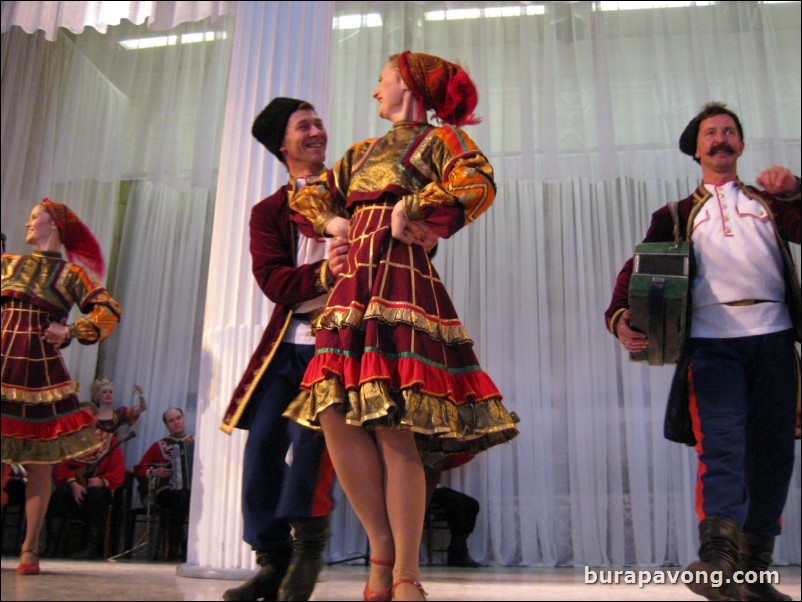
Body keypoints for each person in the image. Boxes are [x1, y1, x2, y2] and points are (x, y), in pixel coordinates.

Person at [284, 52, 519, 601]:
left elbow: (477, 181)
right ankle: (381, 550)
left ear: (408, 86)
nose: (375, 91)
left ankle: (406, 569)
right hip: (352, 287)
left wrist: (413, 205)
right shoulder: (361, 152)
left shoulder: (442, 142)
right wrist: (335, 220)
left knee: (393, 420)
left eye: (382, 80)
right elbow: (311, 193)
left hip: (400, 280)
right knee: (337, 414)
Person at [604, 102, 800, 602]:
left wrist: (795, 188)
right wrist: (620, 316)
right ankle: (717, 561)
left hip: (775, 340)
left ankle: (754, 575)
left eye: (729, 131)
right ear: (697, 149)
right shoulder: (674, 215)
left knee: (773, 456)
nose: (720, 139)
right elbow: (635, 272)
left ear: (741, 144)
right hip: (712, 348)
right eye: (711, 133)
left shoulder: (770, 204)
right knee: (723, 447)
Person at [219, 97, 349, 602]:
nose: (318, 131)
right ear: (283, 144)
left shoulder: (352, 190)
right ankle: (271, 560)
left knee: (314, 445)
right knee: (262, 449)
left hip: (337, 344)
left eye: (318, 122)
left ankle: (308, 553)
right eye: (304, 126)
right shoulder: (268, 211)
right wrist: (324, 272)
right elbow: (273, 280)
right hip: (287, 345)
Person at [1, 198, 122, 575]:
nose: (28, 222)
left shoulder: (71, 274)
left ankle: (30, 549)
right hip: (2, 353)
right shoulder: (8, 264)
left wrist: (69, 330)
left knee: (39, 463)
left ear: (54, 225)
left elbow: (109, 311)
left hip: (37, 367)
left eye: (36, 216)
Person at [44, 415, 127, 559]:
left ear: (95, 420)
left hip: (97, 489)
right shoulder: (69, 441)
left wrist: (101, 481)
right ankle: (52, 546)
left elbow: (118, 471)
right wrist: (73, 483)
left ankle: (91, 548)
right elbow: (60, 468)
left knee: (96, 495)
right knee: (60, 494)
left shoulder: (109, 441)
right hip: (74, 487)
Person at [134, 407, 194, 561]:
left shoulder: (195, 443)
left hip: (192, 492)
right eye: (171, 421)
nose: (176, 423)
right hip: (167, 491)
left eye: (178, 418)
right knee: (180, 496)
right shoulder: (159, 446)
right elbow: (140, 469)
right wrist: (154, 472)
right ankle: (176, 547)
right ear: (167, 425)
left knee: (193, 497)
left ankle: (191, 546)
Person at [423, 452, 481, 568]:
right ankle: (458, 551)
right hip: (418, 489)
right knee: (456, 503)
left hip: (433, 487)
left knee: (471, 504)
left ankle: (458, 547)